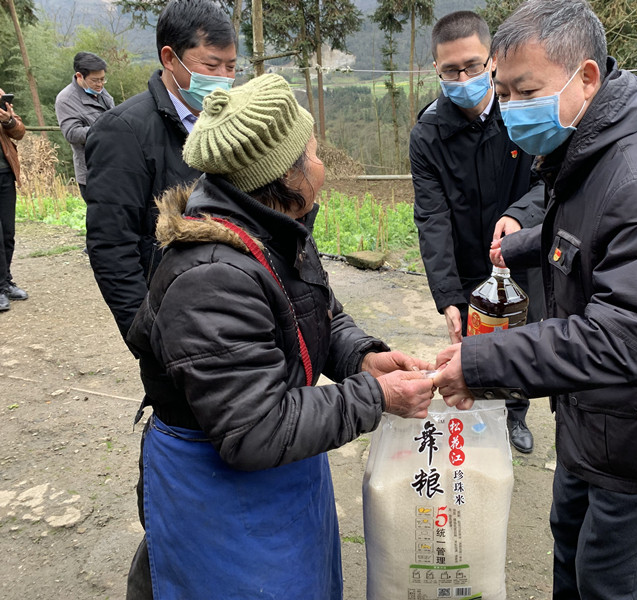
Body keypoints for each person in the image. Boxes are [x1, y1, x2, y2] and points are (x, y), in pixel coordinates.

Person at [433, 1, 637, 598]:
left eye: (526, 92)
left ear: (587, 77)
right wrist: (523, 245)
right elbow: (589, 231)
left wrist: (481, 362)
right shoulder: (590, 148)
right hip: (592, 411)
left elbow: (627, 333)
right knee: (569, 545)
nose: (512, 109)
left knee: (608, 580)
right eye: (504, 92)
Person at [124, 73, 436, 598]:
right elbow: (255, 430)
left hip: (286, 454)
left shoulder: (271, 228)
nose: (321, 162)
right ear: (284, 175)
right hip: (219, 483)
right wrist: (377, 396)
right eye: (312, 152)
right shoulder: (211, 278)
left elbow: (317, 311)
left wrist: (361, 359)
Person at [410, 10, 544, 454]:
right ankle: (482, 412)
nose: (463, 78)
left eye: (472, 65)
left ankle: (516, 413)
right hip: (469, 261)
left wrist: (521, 215)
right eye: (451, 70)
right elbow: (432, 217)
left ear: (492, 61)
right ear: (437, 69)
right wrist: (447, 294)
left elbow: (551, 181)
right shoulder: (428, 134)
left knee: (524, 340)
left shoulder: (523, 112)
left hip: (522, 254)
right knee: (475, 345)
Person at [84, 0, 237, 341]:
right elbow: (112, 247)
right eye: (211, 65)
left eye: (231, 67)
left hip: (232, 304)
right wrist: (149, 336)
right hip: (173, 316)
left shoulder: (229, 121)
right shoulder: (123, 131)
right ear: (169, 58)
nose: (224, 79)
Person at [55, 52, 115, 199]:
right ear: (79, 76)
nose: (100, 84)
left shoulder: (100, 91)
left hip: (113, 166)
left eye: (102, 79)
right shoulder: (66, 99)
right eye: (95, 80)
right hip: (92, 172)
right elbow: (72, 133)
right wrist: (106, 130)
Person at [0, 88, 27, 311]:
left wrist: (8, 120)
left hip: (4, 174)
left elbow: (19, 132)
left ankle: (6, 280)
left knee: (8, 233)